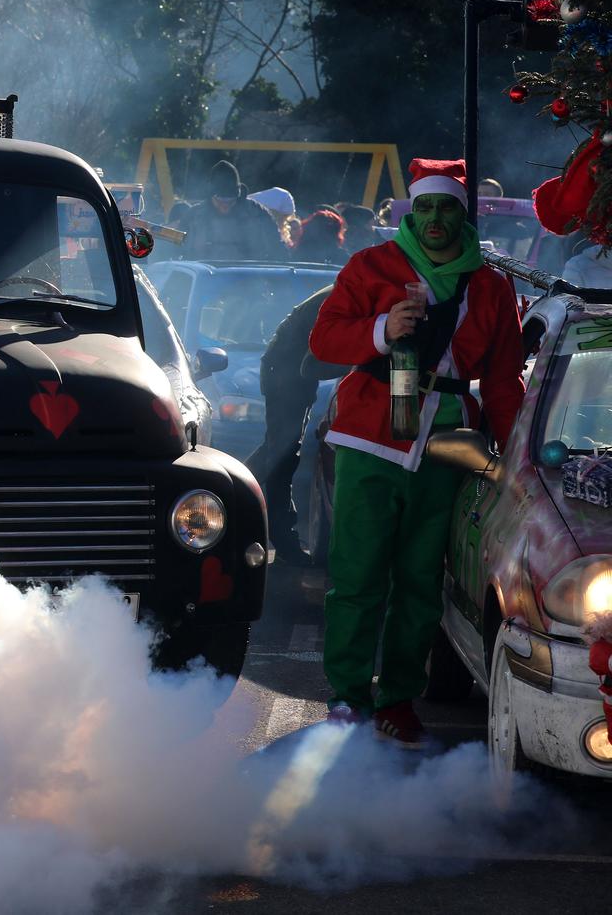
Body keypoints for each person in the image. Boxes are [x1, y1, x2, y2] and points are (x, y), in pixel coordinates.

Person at [309, 158, 525, 745]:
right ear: (411, 211)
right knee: (356, 574)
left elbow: (504, 381)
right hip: (369, 438)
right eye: (424, 207)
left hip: (447, 447)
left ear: (463, 213)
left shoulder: (491, 286)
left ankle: (398, 696)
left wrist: (515, 455)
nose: (433, 219)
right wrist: (382, 328)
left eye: (446, 207)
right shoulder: (370, 265)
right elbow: (324, 339)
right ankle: (349, 695)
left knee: (421, 581)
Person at [246, 286, 346, 559]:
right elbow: (311, 364)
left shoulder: (349, 291)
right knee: (281, 455)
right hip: (286, 374)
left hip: (286, 371)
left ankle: (238, 505)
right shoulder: (346, 298)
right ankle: (275, 536)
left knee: (279, 453)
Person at [177, 160, 283, 261]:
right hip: (204, 277)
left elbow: (278, 248)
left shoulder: (257, 213)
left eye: (230, 201)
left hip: (250, 277)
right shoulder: (193, 216)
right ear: (211, 196)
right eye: (220, 201)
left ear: (238, 195)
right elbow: (172, 249)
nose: (224, 206)